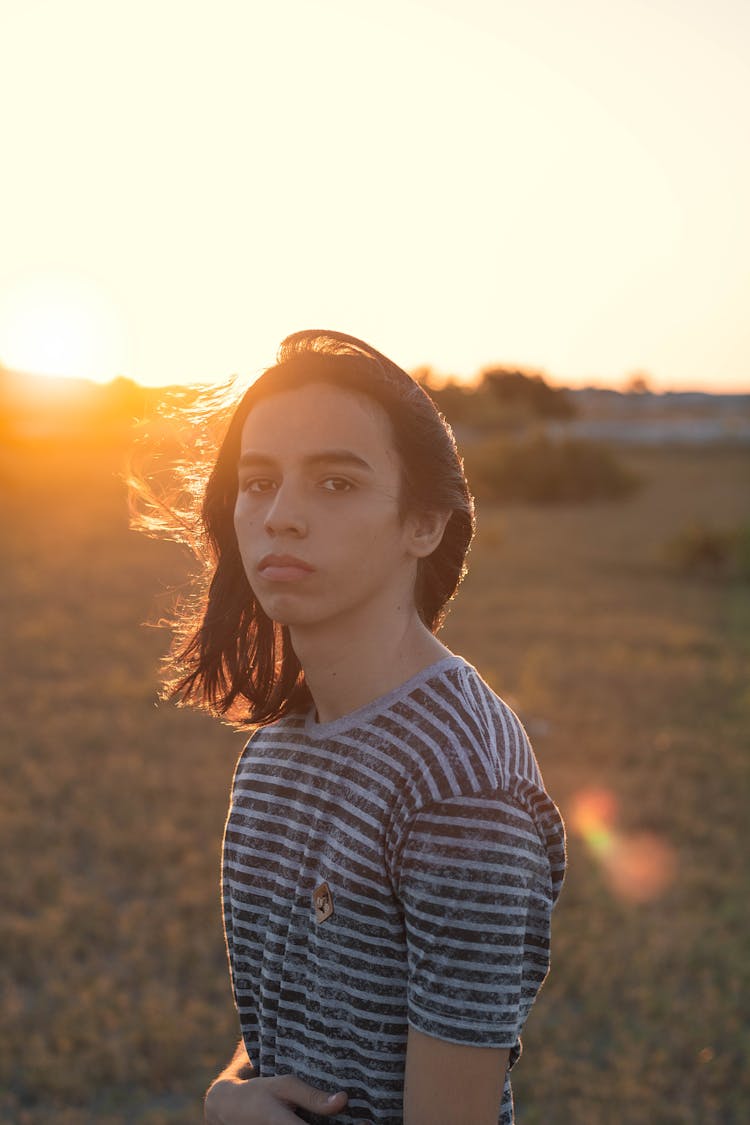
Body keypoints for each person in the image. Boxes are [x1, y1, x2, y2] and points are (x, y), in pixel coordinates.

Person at [136, 330, 566, 1124]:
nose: (281, 517)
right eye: (258, 482)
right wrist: (230, 1094)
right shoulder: (274, 752)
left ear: (425, 523)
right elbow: (285, 1032)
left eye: (335, 483)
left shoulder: (461, 782)